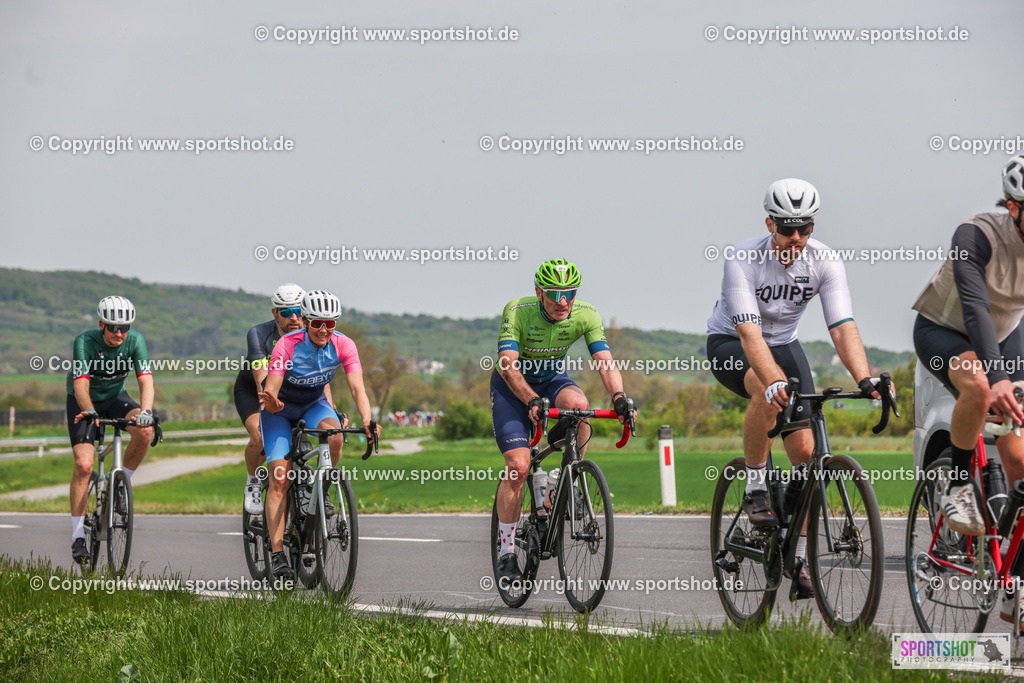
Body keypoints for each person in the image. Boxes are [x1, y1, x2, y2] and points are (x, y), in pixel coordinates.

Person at [705, 178, 882, 599]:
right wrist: (773, 381)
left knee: (806, 456)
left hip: (786, 345)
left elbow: (842, 328)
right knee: (763, 392)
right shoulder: (742, 257)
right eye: (787, 228)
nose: (797, 237)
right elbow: (749, 336)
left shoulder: (825, 261)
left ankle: (798, 555)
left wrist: (865, 379)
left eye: (806, 228)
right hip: (732, 342)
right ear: (770, 224)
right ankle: (754, 486)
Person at [912, 156, 1024, 628]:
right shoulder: (975, 235)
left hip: (1005, 333)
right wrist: (998, 376)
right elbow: (975, 308)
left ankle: (1013, 581)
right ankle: (958, 487)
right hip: (944, 332)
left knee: (1019, 456)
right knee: (978, 385)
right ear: (1015, 206)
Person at [491, 258, 633, 583]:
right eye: (554, 293)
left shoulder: (586, 314)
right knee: (519, 466)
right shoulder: (518, 310)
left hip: (552, 380)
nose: (562, 301)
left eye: (569, 292)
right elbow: (506, 365)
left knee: (580, 407)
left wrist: (619, 398)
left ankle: (565, 479)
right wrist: (529, 400)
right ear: (539, 292)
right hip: (513, 389)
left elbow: (605, 362)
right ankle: (507, 549)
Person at [258, 290, 378, 581]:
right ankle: (277, 555)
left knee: (335, 435)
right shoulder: (286, 345)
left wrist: (367, 419)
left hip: (314, 403)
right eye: (317, 324)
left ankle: (322, 488)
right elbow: (271, 385)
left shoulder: (344, 345)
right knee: (279, 480)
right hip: (280, 409)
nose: (324, 330)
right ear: (307, 321)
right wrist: (271, 400)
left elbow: (357, 388)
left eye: (330, 324)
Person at [68, 296, 155, 565]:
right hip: (83, 402)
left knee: (144, 431)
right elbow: (81, 384)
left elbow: (146, 380)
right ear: (101, 325)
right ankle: (77, 535)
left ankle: (121, 482)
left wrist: (146, 412)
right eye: (113, 327)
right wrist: (89, 409)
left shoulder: (135, 341)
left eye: (124, 328)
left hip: (117, 398)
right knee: (84, 465)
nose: (119, 333)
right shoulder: (84, 342)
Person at [233, 283, 310, 515]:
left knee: (305, 440)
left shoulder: (312, 334)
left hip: (293, 393)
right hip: (255, 390)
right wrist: (270, 405)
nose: (294, 317)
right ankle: (253, 481)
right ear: (275, 313)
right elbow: (261, 376)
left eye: (299, 311)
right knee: (259, 435)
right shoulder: (258, 334)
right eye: (286, 312)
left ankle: (304, 490)